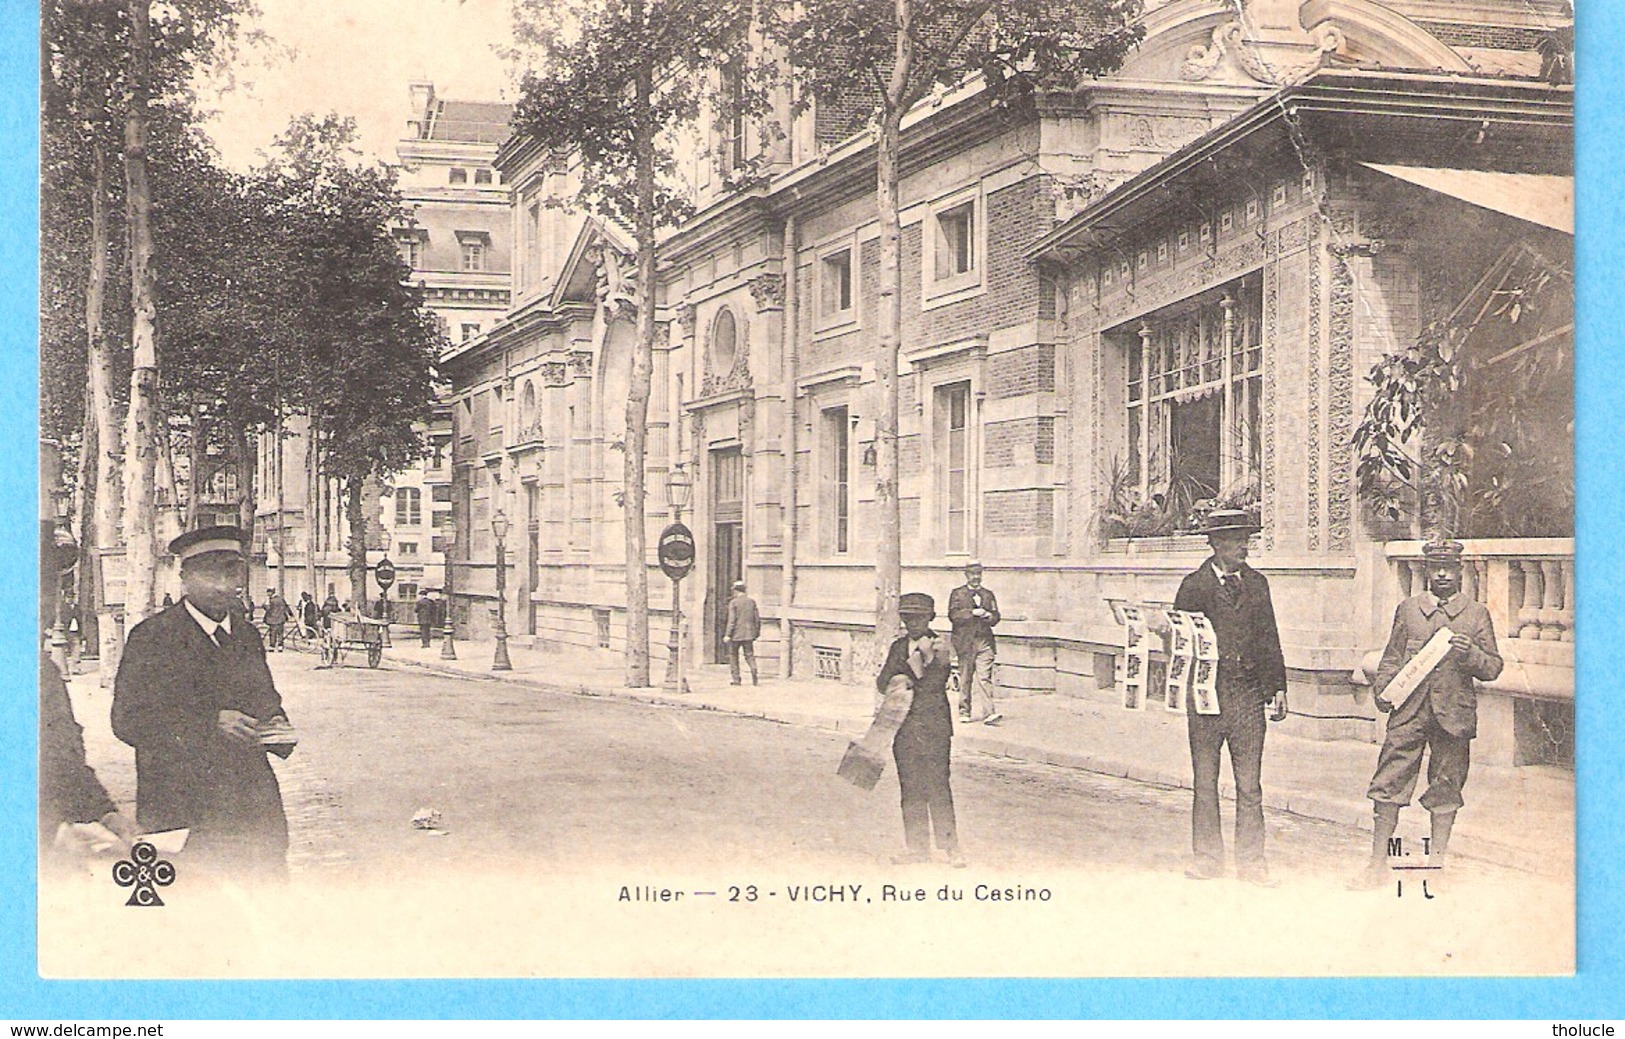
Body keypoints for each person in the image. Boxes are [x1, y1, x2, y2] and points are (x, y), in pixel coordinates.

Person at [111, 527, 294, 879]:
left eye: (233, 571)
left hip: (252, 807)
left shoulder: (246, 634)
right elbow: (127, 720)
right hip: (181, 809)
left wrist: (276, 725)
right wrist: (210, 722)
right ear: (185, 578)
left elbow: (265, 699)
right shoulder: (152, 638)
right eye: (212, 573)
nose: (226, 584)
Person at [1349, 539, 1503, 889]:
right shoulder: (1408, 610)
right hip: (1409, 713)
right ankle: (1376, 865)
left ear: (1460, 572)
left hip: (1453, 715)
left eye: (1449, 568)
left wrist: (1472, 655)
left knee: (1447, 787)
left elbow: (1493, 667)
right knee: (1389, 783)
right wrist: (1383, 691)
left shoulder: (1475, 614)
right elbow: (1391, 657)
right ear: (1427, 571)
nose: (1443, 574)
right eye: (1436, 568)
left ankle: (1436, 866)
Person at [1172, 509, 1288, 886]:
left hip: (1248, 696)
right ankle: (1207, 860)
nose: (1244, 546)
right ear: (1216, 544)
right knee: (1205, 782)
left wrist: (1278, 687)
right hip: (1206, 698)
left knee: (1250, 786)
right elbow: (1181, 642)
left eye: (1247, 538)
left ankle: (1252, 863)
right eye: (1237, 539)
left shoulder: (1258, 584)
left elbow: (1270, 637)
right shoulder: (1194, 586)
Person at [876, 592, 965, 868]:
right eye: (907, 617)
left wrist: (905, 675)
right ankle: (916, 849)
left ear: (929, 618)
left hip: (934, 727)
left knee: (938, 787)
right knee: (911, 790)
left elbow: (931, 682)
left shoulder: (940, 648)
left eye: (918, 618)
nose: (912, 623)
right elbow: (882, 682)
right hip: (904, 729)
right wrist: (901, 677)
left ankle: (951, 849)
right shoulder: (898, 646)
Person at [947, 561, 1002, 725]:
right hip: (965, 643)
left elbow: (996, 616)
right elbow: (953, 615)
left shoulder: (988, 595)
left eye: (978, 574)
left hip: (984, 642)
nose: (976, 577)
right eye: (972, 574)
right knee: (965, 677)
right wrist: (972, 613)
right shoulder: (958, 594)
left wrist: (989, 616)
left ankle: (989, 713)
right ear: (966, 575)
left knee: (985, 678)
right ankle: (964, 710)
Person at [723, 580, 761, 686]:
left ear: (736, 591)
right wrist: (756, 632)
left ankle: (736, 679)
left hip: (736, 635)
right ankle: (754, 672)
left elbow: (732, 620)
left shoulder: (734, 603)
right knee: (749, 655)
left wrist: (727, 634)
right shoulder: (751, 602)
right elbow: (757, 619)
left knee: (733, 655)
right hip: (749, 634)